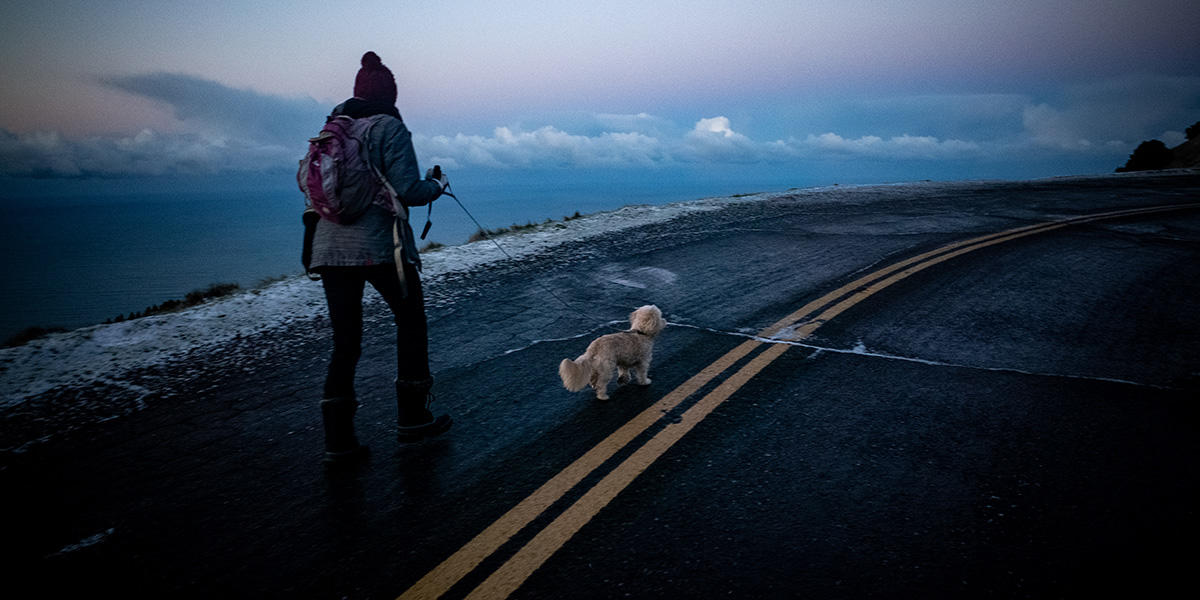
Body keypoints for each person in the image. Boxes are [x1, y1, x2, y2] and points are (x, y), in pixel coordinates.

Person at [308, 51, 452, 463]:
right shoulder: (390, 127)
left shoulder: (331, 129)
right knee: (411, 323)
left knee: (346, 341)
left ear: (356, 93)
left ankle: (338, 443)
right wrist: (436, 187)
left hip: (330, 249)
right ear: (389, 94)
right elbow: (408, 190)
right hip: (380, 247)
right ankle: (412, 418)